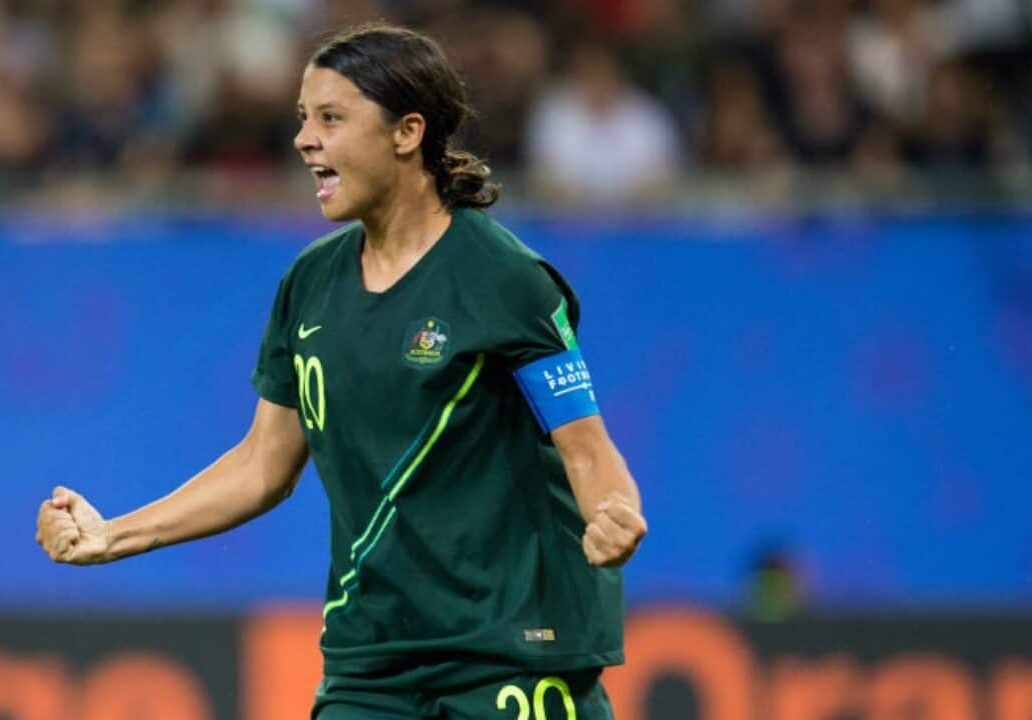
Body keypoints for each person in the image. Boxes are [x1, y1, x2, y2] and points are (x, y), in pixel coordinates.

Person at [36, 23, 647, 719]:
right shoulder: (310, 284)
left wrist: (613, 516)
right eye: (303, 118)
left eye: (330, 118)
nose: (304, 140)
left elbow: (587, 451)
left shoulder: (506, 282)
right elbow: (263, 465)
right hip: (371, 669)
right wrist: (113, 534)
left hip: (509, 659)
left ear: (407, 132)